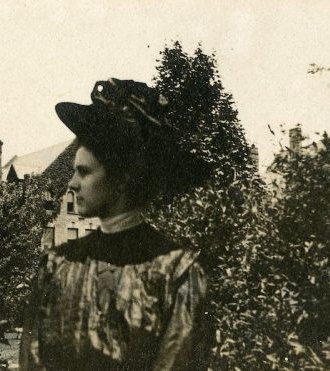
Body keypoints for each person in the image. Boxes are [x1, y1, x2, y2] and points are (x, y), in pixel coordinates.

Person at [19, 78, 211, 370]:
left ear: (123, 180)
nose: (71, 184)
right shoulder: (56, 267)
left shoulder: (176, 274)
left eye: (84, 172)